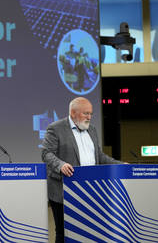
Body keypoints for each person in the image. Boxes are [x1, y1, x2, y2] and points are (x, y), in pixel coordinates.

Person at [41, 97, 123, 243]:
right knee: (63, 233)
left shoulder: (91, 129)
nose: (89, 117)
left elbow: (100, 157)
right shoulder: (56, 128)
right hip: (63, 190)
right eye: (86, 113)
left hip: (89, 190)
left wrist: (120, 165)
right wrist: (60, 165)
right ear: (73, 113)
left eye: (91, 114)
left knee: (88, 230)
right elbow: (46, 153)